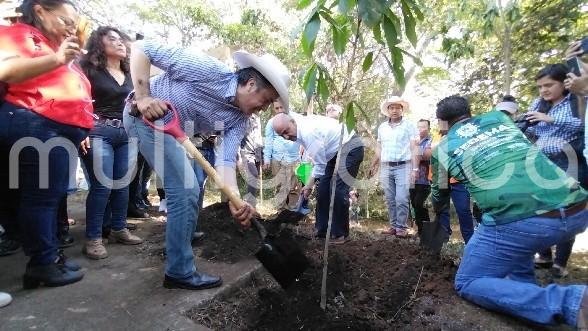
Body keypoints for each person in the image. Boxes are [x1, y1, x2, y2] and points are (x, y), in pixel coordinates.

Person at [124, 39, 290, 290]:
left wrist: (235, 198)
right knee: (186, 187)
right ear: (251, 84)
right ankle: (179, 272)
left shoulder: (239, 120)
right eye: (265, 101)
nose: (262, 109)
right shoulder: (208, 69)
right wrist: (144, 97)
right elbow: (142, 48)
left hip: (174, 133)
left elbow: (224, 161)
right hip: (143, 119)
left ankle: (183, 235)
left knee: (193, 186)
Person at [431, 95, 588, 328]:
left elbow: (439, 192)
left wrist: (437, 209)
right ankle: (527, 301)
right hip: (577, 206)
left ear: (442, 123)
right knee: (514, 242)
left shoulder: (443, 148)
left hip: (523, 219)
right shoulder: (498, 119)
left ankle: (570, 301)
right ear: (470, 111)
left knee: (468, 280)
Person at [0, 0, 89, 288]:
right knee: (41, 199)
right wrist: (59, 59)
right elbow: (7, 71)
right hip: (35, 124)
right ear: (40, 10)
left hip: (55, 131)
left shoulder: (52, 46)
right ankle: (41, 264)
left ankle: (50, 257)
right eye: (66, 20)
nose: (71, 28)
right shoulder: (18, 34)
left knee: (51, 199)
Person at [79, 26, 143, 260]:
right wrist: (79, 130)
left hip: (126, 134)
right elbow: (78, 99)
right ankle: (93, 238)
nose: (120, 44)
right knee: (102, 185)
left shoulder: (130, 73)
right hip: (97, 132)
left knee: (123, 183)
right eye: (113, 39)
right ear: (99, 44)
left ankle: (118, 229)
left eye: (121, 40)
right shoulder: (88, 69)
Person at [524, 64, 587, 278]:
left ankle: (560, 263)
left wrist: (550, 118)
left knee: (566, 211)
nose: (544, 90)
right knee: (541, 208)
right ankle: (544, 255)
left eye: (549, 85)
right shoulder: (539, 104)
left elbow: (581, 125)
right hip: (542, 163)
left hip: (569, 163)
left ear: (564, 83)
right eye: (540, 86)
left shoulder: (576, 101)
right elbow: (532, 129)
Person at [271, 112, 364, 244]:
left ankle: (340, 234)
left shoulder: (309, 132)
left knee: (338, 189)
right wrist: (309, 185)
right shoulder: (298, 130)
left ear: (293, 122)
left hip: (350, 148)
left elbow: (319, 164)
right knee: (323, 189)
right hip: (332, 153)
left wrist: (308, 185)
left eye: (287, 131)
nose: (286, 136)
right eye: (282, 135)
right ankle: (322, 231)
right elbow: (317, 159)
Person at [369, 96, 420, 237]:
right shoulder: (382, 127)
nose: (395, 110)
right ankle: (393, 226)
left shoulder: (409, 125)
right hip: (386, 166)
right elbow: (379, 147)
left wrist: (415, 169)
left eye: (398, 107)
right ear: (388, 110)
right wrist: (373, 164)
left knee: (402, 198)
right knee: (390, 199)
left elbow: (414, 147)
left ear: (402, 109)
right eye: (392, 108)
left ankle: (402, 228)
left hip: (404, 166)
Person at [263, 100, 301, 210]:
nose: (279, 110)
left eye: (281, 107)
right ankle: (280, 211)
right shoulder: (271, 123)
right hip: (277, 159)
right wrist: (266, 159)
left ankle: (291, 211)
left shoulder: (295, 119)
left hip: (293, 158)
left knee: (293, 186)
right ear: (273, 109)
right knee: (280, 185)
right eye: (276, 108)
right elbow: (269, 141)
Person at [409, 119, 432, 235]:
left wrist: (416, 151)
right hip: (412, 179)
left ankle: (426, 230)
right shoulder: (412, 140)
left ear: (429, 128)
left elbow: (426, 156)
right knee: (414, 204)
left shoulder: (431, 141)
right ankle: (421, 230)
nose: (420, 129)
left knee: (419, 203)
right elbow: (407, 155)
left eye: (423, 127)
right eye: (418, 127)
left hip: (425, 179)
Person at [239, 113, 263, 207]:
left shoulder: (257, 118)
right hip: (245, 152)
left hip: (256, 153)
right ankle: (249, 204)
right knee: (253, 174)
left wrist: (261, 156)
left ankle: (250, 203)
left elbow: (258, 137)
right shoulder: (241, 116)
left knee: (254, 178)